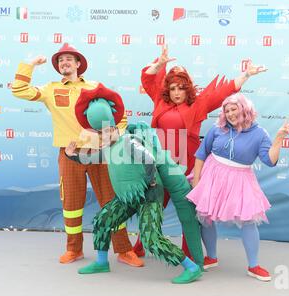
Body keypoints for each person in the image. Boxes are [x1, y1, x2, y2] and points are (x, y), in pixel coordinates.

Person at [11, 43, 143, 267]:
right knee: (71, 204)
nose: (65, 63)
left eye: (69, 59)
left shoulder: (95, 86)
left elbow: (119, 114)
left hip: (100, 153)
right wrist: (30, 64)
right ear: (58, 66)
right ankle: (74, 249)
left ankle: (123, 250)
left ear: (78, 64)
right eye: (61, 60)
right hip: (69, 154)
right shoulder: (50, 89)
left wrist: (115, 133)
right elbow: (18, 90)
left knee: (111, 203)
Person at [134, 44, 267, 264]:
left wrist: (245, 75)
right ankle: (140, 245)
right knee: (152, 206)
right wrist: (157, 66)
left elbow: (223, 92)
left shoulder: (198, 104)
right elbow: (147, 80)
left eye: (181, 88)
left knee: (188, 212)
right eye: (173, 88)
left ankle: (191, 254)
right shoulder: (160, 99)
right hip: (159, 164)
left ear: (188, 89)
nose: (177, 92)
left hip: (186, 166)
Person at [65, 83, 203, 283]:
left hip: (148, 196)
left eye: (107, 130)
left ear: (114, 127)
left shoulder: (129, 141)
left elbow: (149, 159)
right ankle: (102, 262)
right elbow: (88, 159)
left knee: (151, 239)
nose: (104, 136)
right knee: (103, 221)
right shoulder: (108, 149)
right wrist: (72, 155)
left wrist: (151, 182)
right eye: (100, 133)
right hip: (126, 198)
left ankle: (191, 267)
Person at [186, 93, 289, 281]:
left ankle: (254, 265)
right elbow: (201, 154)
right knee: (205, 217)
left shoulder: (260, 134)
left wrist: (278, 139)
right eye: (227, 111)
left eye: (234, 109)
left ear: (244, 109)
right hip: (212, 175)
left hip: (240, 179)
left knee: (249, 221)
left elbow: (270, 160)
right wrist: (197, 183)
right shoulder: (217, 129)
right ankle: (211, 256)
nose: (230, 114)